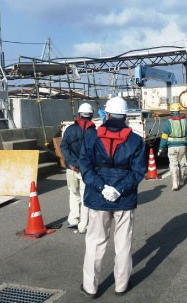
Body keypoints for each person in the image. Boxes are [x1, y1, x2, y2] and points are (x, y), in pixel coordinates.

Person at [79, 96, 147, 298]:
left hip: (97, 198)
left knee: (95, 242)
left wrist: (101, 187)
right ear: (125, 116)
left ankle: (90, 287)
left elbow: (85, 166)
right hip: (124, 199)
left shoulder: (91, 137)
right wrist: (119, 189)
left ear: (106, 114)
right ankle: (121, 285)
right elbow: (138, 171)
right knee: (123, 243)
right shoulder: (136, 140)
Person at [60, 102, 97, 233]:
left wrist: (72, 162)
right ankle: (83, 225)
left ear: (79, 114)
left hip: (71, 168)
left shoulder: (70, 129)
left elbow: (63, 147)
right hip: (85, 170)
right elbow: (94, 152)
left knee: (73, 193)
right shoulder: (93, 131)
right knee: (84, 195)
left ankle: (73, 219)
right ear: (91, 115)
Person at [157, 102, 187, 191]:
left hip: (171, 147)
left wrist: (161, 148)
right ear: (179, 111)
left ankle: (174, 184)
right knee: (182, 164)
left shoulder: (168, 123)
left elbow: (164, 137)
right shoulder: (185, 122)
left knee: (173, 165)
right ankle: (181, 180)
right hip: (182, 146)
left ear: (171, 112)